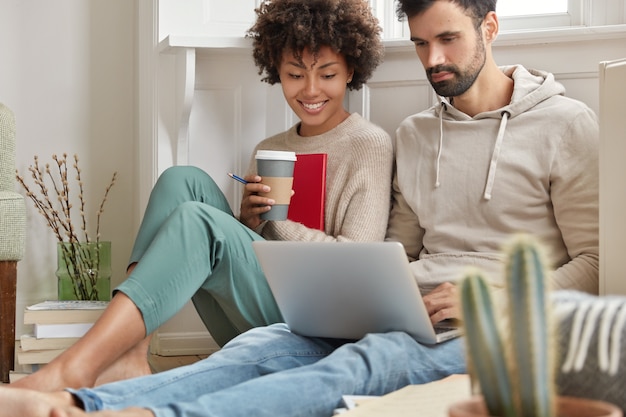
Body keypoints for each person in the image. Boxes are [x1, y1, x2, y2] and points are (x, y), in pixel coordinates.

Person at [1, 0, 600, 416]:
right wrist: (372, 289)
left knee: (335, 364)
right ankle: (90, 392)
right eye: (420, 42)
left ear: (490, 27)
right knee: (257, 338)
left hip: (488, 315)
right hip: (407, 307)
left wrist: (495, 299)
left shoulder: (566, 124)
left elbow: (596, 262)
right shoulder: (419, 134)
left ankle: (90, 397)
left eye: (448, 39)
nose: (431, 57)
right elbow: (399, 253)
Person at [12, 0, 393, 393]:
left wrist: (276, 222)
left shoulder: (369, 144)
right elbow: (255, 257)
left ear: (350, 69)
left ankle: (74, 367)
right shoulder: (271, 146)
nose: (310, 90)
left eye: (327, 74)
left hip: (322, 332)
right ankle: (130, 353)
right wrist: (250, 222)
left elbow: (356, 265)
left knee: (199, 220)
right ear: (276, 71)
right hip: (265, 314)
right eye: (295, 74)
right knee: (182, 180)